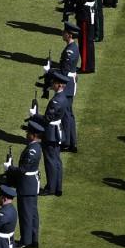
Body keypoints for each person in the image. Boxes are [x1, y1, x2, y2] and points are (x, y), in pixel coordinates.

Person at [16, 116, 44, 248]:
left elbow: (23, 169)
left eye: (28, 133)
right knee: (32, 213)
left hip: (27, 185)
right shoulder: (35, 147)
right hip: (31, 184)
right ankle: (33, 239)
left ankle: (26, 241)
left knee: (26, 214)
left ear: (33, 135)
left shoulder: (32, 149)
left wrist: (10, 169)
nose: (26, 135)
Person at [42, 71, 69, 196]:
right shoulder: (63, 97)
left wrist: (34, 116)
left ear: (59, 85)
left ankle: (51, 188)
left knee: (51, 161)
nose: (52, 84)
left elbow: (47, 118)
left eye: (54, 83)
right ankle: (57, 187)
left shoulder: (56, 101)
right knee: (57, 160)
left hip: (51, 133)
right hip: (57, 131)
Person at [57, 22, 81, 150]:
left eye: (64, 32)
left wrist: (50, 73)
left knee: (66, 115)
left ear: (69, 35)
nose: (63, 33)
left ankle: (66, 143)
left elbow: (64, 72)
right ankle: (72, 142)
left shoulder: (69, 51)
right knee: (69, 114)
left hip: (67, 85)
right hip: (71, 83)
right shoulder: (74, 47)